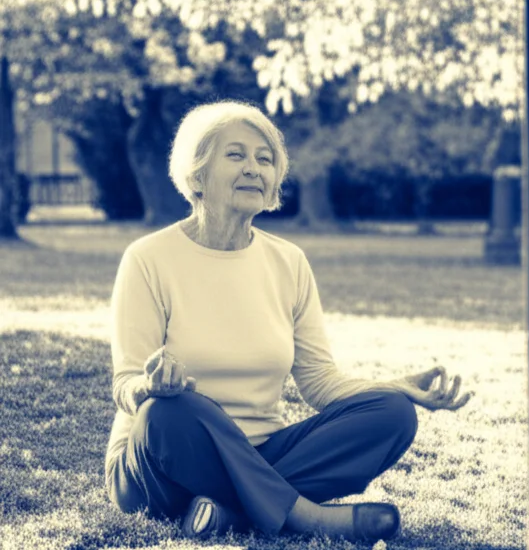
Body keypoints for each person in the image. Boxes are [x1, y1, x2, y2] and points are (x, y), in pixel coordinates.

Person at [104, 100, 473, 543]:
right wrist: (149, 387)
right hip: (160, 462)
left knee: (392, 414)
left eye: (265, 159)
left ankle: (228, 514)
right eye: (236, 155)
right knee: (173, 409)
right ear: (197, 172)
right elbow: (127, 386)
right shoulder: (148, 259)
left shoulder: (289, 262)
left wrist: (394, 388)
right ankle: (306, 517)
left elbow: (319, 381)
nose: (253, 169)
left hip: (265, 452)